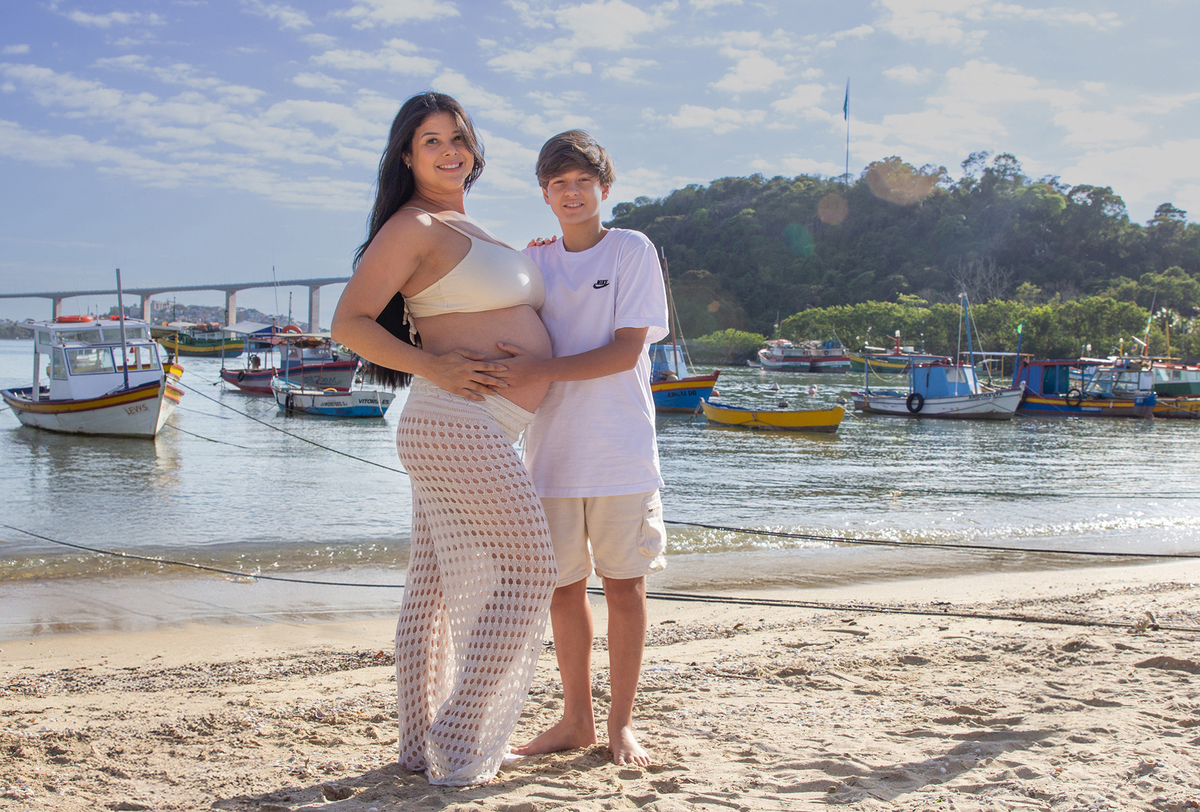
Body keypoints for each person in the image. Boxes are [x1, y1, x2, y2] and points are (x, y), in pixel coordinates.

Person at [330, 92, 557, 787]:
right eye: (431, 140)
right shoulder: (414, 225)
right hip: (455, 421)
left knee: (429, 590)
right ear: (406, 155)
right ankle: (458, 732)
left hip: (475, 425)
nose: (450, 150)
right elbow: (348, 322)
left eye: (459, 137)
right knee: (532, 568)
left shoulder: (466, 226)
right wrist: (432, 366)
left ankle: (415, 744)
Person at [491, 130, 669, 766]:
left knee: (625, 588)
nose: (572, 193)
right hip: (549, 456)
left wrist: (538, 370)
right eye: (559, 184)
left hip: (621, 450)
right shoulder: (532, 262)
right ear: (544, 194)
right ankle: (576, 721)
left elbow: (625, 351)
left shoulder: (630, 249)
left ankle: (622, 724)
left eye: (583, 182)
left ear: (605, 188)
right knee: (562, 590)